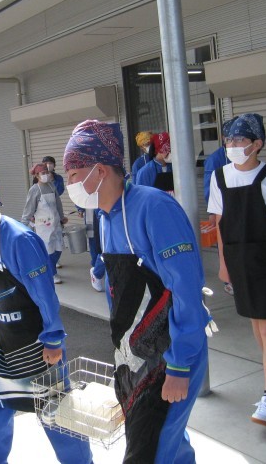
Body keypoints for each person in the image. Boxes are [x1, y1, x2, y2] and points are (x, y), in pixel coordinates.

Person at [64, 120, 211, 463]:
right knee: (170, 445)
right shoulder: (105, 217)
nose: (69, 185)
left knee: (150, 451)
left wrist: (179, 366)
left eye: (73, 175)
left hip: (170, 353)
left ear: (100, 171)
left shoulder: (154, 208)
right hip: (137, 354)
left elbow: (186, 290)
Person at [0, 165, 93, 464]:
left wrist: (53, 338)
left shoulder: (19, 239)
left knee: (57, 415)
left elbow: (45, 295)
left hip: (38, 343)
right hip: (5, 341)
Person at [208, 113, 266, 427]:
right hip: (239, 264)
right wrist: (223, 265)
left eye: (240, 139)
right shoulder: (219, 177)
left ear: (257, 144)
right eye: (229, 139)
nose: (232, 145)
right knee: (257, 324)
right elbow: (220, 225)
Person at [204, 118, 235, 296]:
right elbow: (209, 186)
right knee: (224, 241)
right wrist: (212, 212)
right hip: (222, 208)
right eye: (229, 136)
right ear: (223, 137)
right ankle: (228, 280)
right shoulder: (215, 158)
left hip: (238, 207)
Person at [22, 163, 67, 284]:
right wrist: (23, 225)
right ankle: (52, 273)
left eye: (47, 172)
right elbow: (28, 209)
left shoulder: (52, 186)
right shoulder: (34, 190)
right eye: (43, 173)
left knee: (58, 249)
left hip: (56, 223)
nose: (46, 175)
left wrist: (62, 217)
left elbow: (58, 204)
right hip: (43, 227)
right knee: (49, 250)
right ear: (37, 175)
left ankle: (48, 268)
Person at [77, 206, 105, 292]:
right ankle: (96, 268)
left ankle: (98, 268)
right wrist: (80, 209)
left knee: (105, 243)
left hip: (108, 209)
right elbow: (82, 196)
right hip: (92, 211)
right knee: (94, 241)